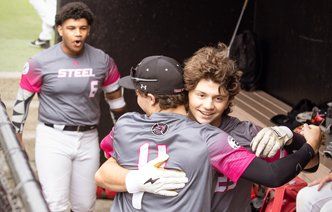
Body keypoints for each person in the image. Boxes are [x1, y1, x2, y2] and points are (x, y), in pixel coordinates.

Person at [95, 54, 321, 211]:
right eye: (201, 95)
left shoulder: (246, 133)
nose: (208, 105)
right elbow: (104, 173)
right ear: (186, 92)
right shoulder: (152, 128)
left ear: (229, 100)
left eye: (218, 98)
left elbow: (310, 164)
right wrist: (136, 179)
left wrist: (290, 137)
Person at [11, 2, 126, 211]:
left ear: (88, 30)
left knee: (85, 204)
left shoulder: (103, 61)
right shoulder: (40, 62)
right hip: (53, 138)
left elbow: (116, 101)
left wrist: (123, 133)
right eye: (72, 28)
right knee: (55, 204)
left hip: (88, 137)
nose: (78, 34)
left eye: (83, 28)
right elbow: (21, 102)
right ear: (60, 29)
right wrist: (16, 137)